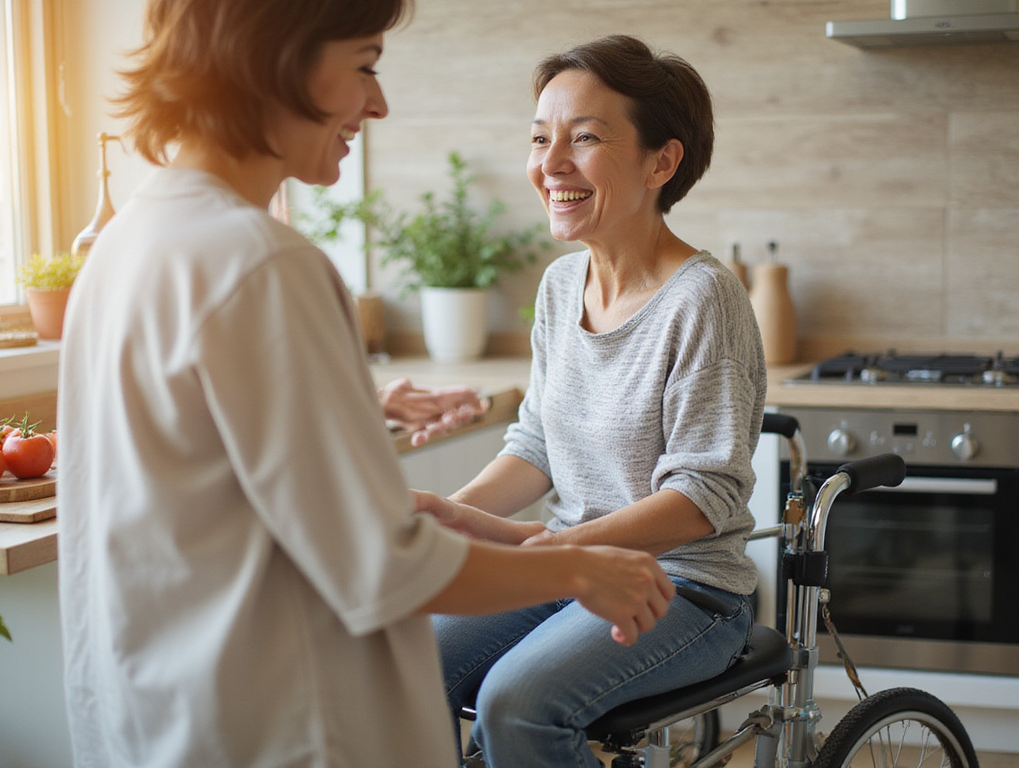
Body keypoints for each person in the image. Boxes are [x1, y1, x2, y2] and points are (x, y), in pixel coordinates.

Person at [56, 4, 675, 767]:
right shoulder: (262, 264)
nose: (376, 103)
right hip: (283, 731)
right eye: (365, 64)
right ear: (274, 57)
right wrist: (575, 567)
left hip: (155, 723)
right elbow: (379, 565)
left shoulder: (127, 244)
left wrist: (355, 405)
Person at [415, 35, 767, 767]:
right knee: (403, 659)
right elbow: (539, 442)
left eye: (584, 139)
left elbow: (705, 495)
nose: (550, 165)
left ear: (661, 162)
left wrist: (553, 549)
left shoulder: (704, 298)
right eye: (541, 139)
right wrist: (464, 518)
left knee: (519, 707)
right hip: (567, 567)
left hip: (685, 587)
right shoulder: (558, 286)